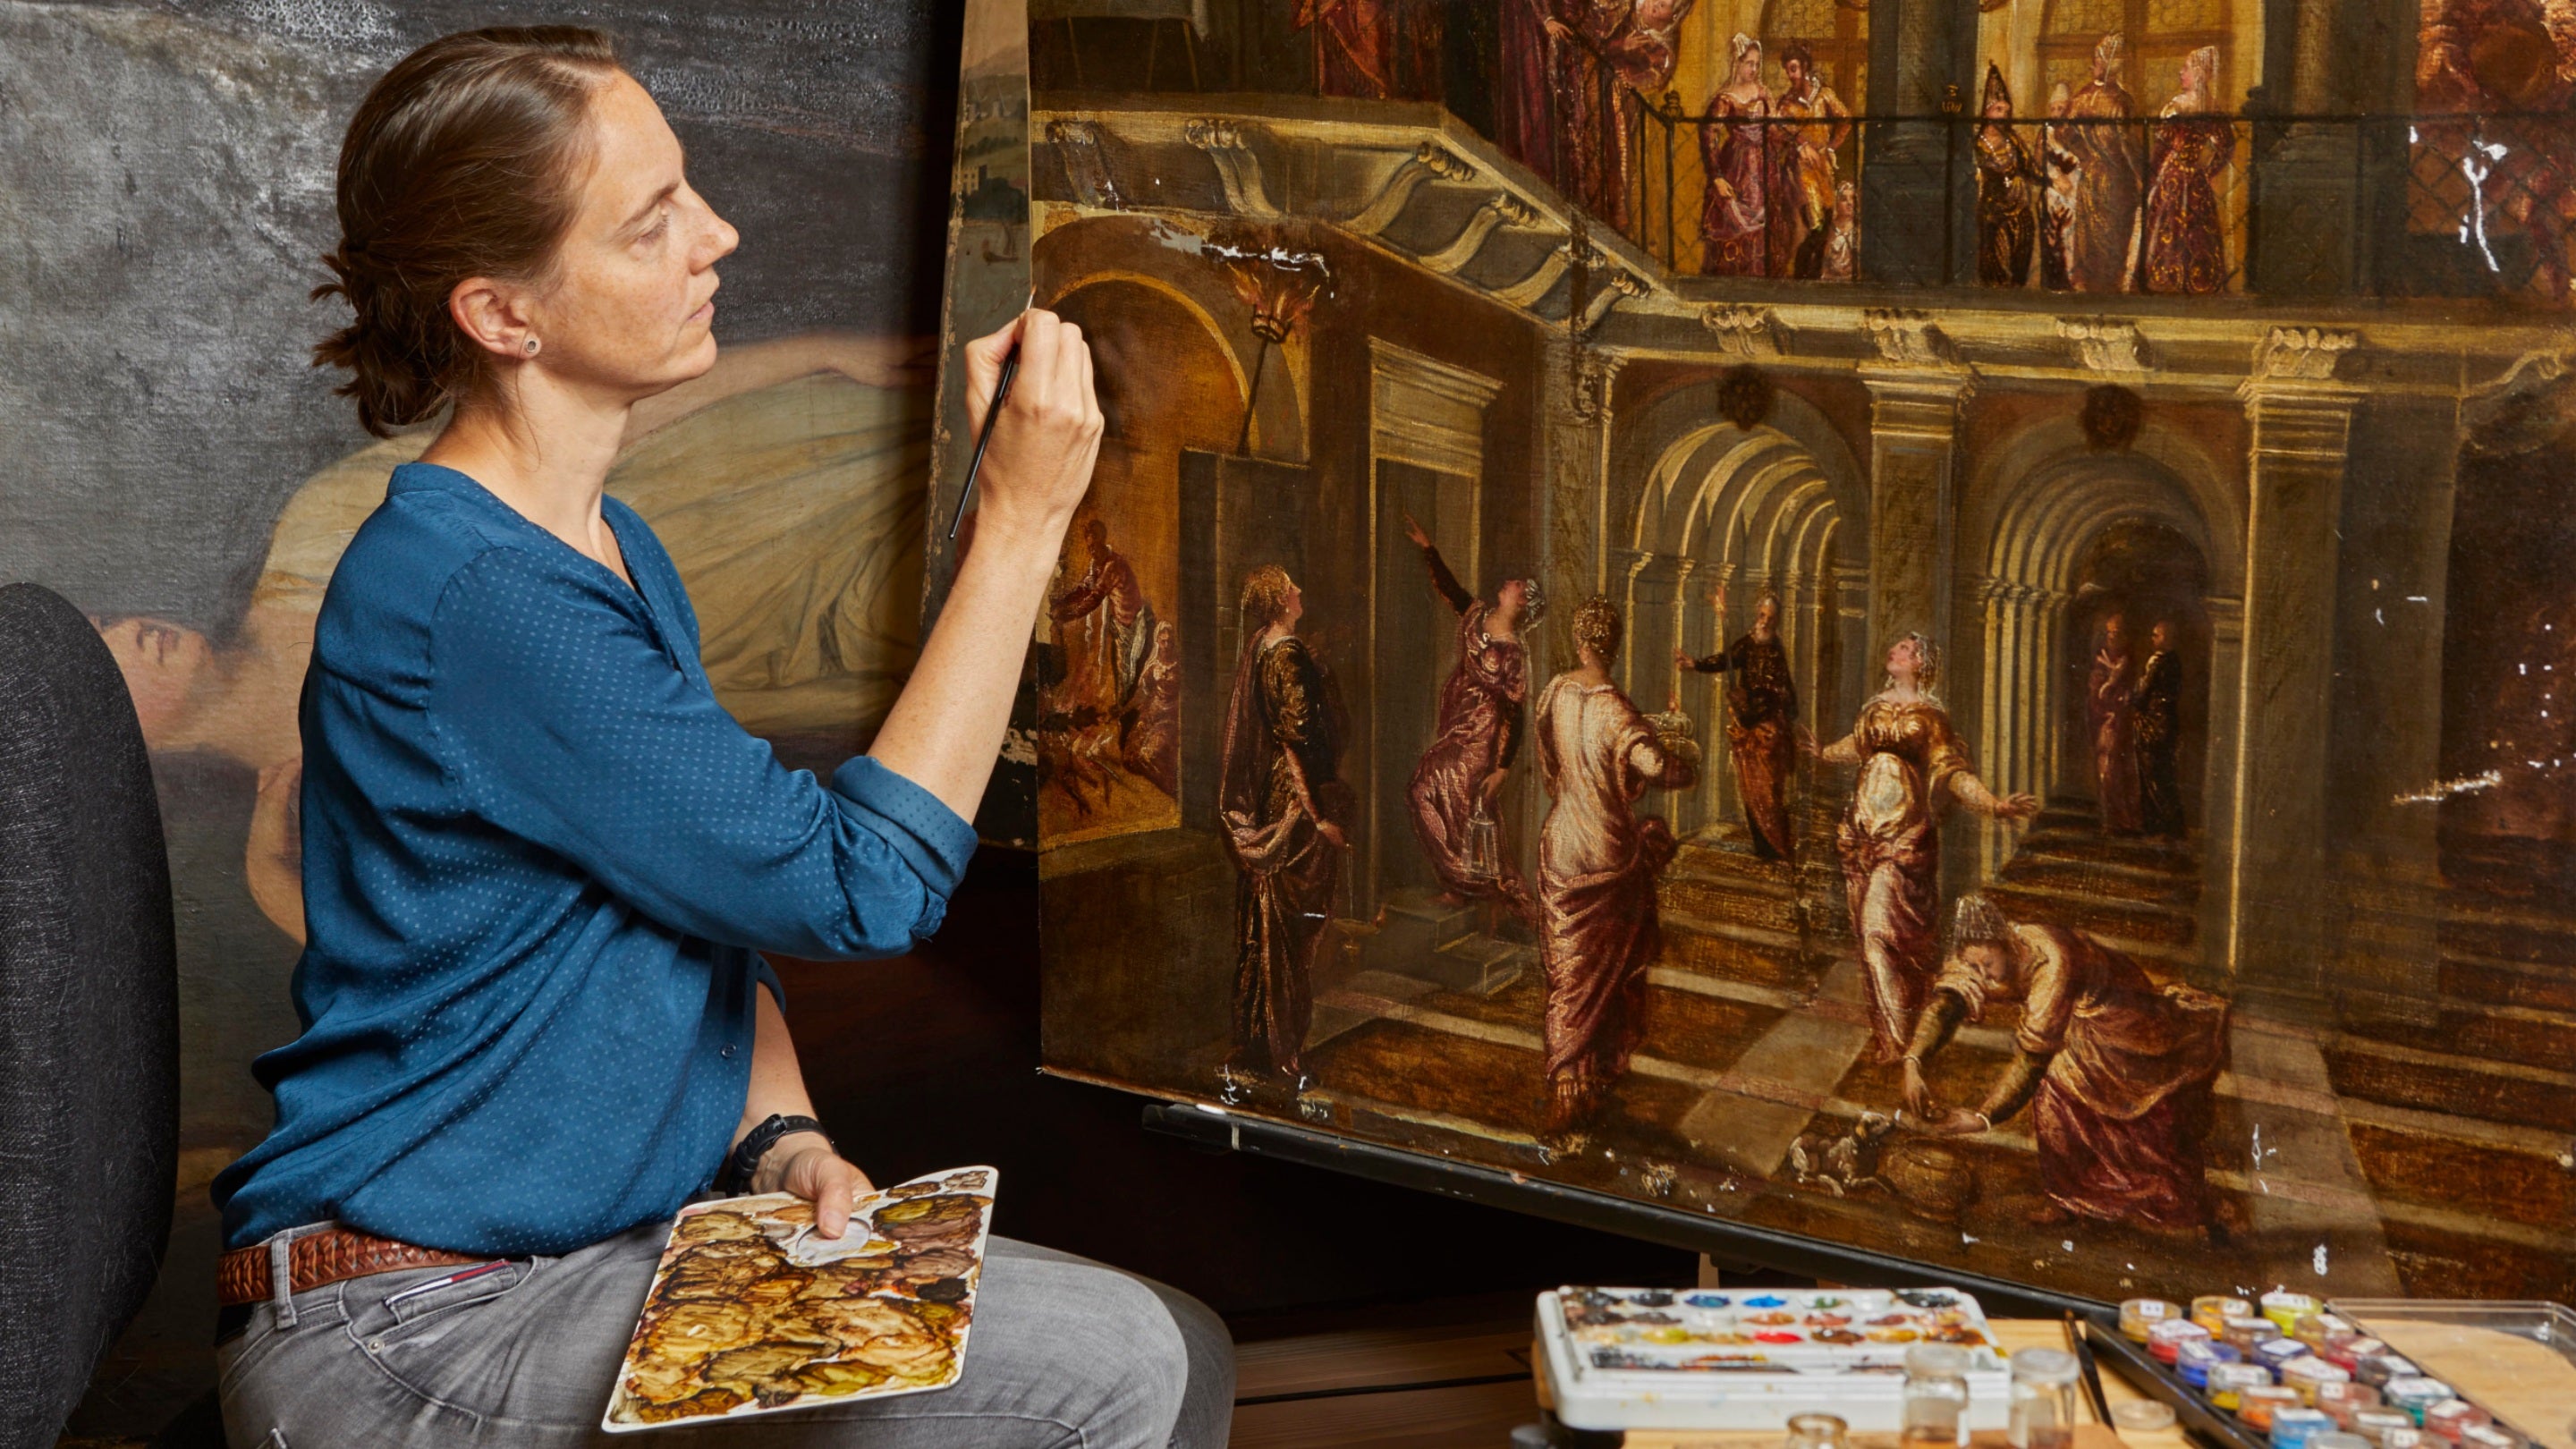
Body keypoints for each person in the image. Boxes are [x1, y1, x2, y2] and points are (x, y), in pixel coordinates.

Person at [209, 29, 1230, 1449]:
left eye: (689, 192)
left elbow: (700, 904)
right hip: (411, 1330)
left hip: (566, 1265)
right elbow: (855, 887)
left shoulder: (604, 545)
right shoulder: (481, 597)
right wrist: (1022, 524)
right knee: (1126, 1367)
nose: (719, 236)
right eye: (653, 222)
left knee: (1168, 1341)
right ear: (504, 315)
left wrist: (777, 1139)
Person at [97, 333, 934, 945]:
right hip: (813, 640)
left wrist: (817, 356)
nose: (127, 631)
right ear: (137, 751)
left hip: (779, 472)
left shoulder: (320, 530)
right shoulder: (318, 811)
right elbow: (447, 978)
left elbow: (578, 426)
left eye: (102, 620)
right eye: (105, 661)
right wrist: (278, 888)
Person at [1904, 894, 2229, 1236]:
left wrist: (1982, 1118)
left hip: (2121, 1019)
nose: (1981, 976)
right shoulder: (1976, 954)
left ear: (2009, 945)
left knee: (2109, 1105)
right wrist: (1913, 1062)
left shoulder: (2052, 965)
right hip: (2076, 1022)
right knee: (2057, 1102)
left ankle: (2177, 1206)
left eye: (1987, 966)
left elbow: (2032, 1061)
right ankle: (2072, 1200)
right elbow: (1946, 1003)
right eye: (1973, 967)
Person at [1810, 633, 2038, 1062]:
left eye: (1905, 649)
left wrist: (1994, 804)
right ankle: (1891, 1032)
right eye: (1895, 647)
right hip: (1859, 835)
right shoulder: (1874, 708)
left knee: (1879, 935)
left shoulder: (1932, 717)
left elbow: (1952, 774)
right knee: (1868, 940)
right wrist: (1822, 752)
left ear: (1920, 663)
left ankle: (1898, 1041)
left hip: (1903, 839)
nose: (1894, 652)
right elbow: (1857, 747)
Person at [1536, 597, 1697, 1138]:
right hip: (1605, 849)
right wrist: (1683, 765)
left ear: (1580, 642)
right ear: (1616, 645)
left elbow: (1551, 764)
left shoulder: (1555, 693)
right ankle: (1590, 1075)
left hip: (1561, 845)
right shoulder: (1618, 710)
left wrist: (1573, 788)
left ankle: (1570, 1082)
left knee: (1568, 974)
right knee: (1604, 975)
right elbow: (1659, 768)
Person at [1217, 564, 1351, 1100]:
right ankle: (1284, 1050)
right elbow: (1295, 742)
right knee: (1289, 932)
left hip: (1275, 789)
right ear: (1279, 600)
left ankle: (1258, 1040)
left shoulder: (1263, 645)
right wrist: (1316, 815)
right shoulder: (1287, 654)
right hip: (1292, 796)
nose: (1301, 591)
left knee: (1267, 920)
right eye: (1293, 587)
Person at [1402, 512, 1541, 917]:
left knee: (1429, 792)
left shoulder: (1514, 652)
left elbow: (1514, 714)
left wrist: (1503, 767)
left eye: (1521, 586)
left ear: (1523, 602)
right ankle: (1462, 887)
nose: (1513, 584)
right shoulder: (1477, 615)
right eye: (1514, 581)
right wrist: (1430, 550)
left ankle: (1474, 884)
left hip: (1482, 736)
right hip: (1456, 724)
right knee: (1448, 804)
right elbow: (1450, 591)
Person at [1673, 582, 1801, 860]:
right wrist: (1694, 664)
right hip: (1748, 729)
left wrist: (1750, 697)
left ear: (1777, 621)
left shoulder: (1775, 651)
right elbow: (1726, 660)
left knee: (1767, 792)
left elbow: (1781, 693)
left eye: (1770, 618)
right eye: (1761, 616)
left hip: (1768, 731)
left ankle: (1777, 848)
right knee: (1750, 790)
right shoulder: (1748, 643)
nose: (1764, 622)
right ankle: (1763, 848)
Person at [2140, 45, 2233, 295]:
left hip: (2171, 178)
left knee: (2174, 229)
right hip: (2194, 183)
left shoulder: (2177, 106)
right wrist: (2205, 171)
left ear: (2200, 73)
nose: (2181, 73)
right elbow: (2226, 147)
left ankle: (2168, 284)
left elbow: (2160, 149)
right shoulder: (2212, 108)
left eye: (2186, 68)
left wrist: (2151, 179)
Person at [2064, 33, 2143, 292]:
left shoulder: (2081, 97)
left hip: (2090, 177)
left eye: (2097, 58)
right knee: (2114, 243)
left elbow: (2063, 132)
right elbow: (2127, 145)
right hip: (2118, 179)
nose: (2093, 63)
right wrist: (2142, 175)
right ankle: (2109, 294)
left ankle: (2093, 294)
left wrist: (2086, 157)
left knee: (2090, 244)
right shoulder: (2121, 100)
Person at [1770, 42, 1852, 278]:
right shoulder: (1786, 103)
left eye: (1794, 69)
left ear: (1805, 67)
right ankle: (1800, 277)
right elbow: (1777, 131)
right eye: (1788, 70)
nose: (1791, 75)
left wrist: (1830, 147)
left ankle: (1812, 276)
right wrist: (1799, 144)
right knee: (1810, 224)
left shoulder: (1824, 95)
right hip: (1799, 170)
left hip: (1823, 168)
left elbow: (1845, 119)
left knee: (1826, 222)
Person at [1699, 34, 1774, 276]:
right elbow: (1709, 134)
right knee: (1731, 227)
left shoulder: (1763, 92)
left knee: (1763, 230)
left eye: (1756, 64)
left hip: (1762, 167)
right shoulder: (1725, 98)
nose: (1753, 69)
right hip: (1735, 166)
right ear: (1737, 63)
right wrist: (1716, 177)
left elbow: (1775, 127)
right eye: (1749, 63)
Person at [1974, 63, 2040, 287]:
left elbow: (2030, 168)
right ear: (1987, 111)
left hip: (2019, 208)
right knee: (1995, 262)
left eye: (2007, 111)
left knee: (2020, 259)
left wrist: (2051, 181)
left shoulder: (2013, 140)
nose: (2003, 116)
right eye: (1998, 110)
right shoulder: (1977, 145)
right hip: (1993, 211)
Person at [2090, 613, 2143, 835]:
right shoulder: (2100, 663)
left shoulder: (2130, 665)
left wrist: (2121, 705)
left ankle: (2127, 821)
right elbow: (2094, 695)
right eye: (2109, 632)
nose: (2112, 637)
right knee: (2106, 771)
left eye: (2117, 633)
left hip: (2125, 725)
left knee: (2126, 772)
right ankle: (2110, 821)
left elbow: (2135, 695)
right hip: (2106, 723)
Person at [2134, 619, 2186, 838]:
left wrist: (2135, 692)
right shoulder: (2175, 662)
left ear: (2167, 637)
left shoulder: (2159, 662)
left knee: (2153, 773)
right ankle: (2168, 826)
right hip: (2168, 724)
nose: (2152, 638)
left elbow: (2141, 695)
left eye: (2157, 635)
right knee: (2164, 774)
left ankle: (2163, 827)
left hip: (2153, 725)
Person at [2039, 82, 2082, 292]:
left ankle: (2070, 277)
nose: (2056, 113)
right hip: (2053, 189)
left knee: (2070, 234)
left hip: (2073, 189)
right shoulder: (2045, 133)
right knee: (2052, 231)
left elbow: (2079, 162)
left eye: (2061, 109)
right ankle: (2054, 278)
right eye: (2053, 109)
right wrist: (2055, 177)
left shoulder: (2074, 133)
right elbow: (2041, 162)